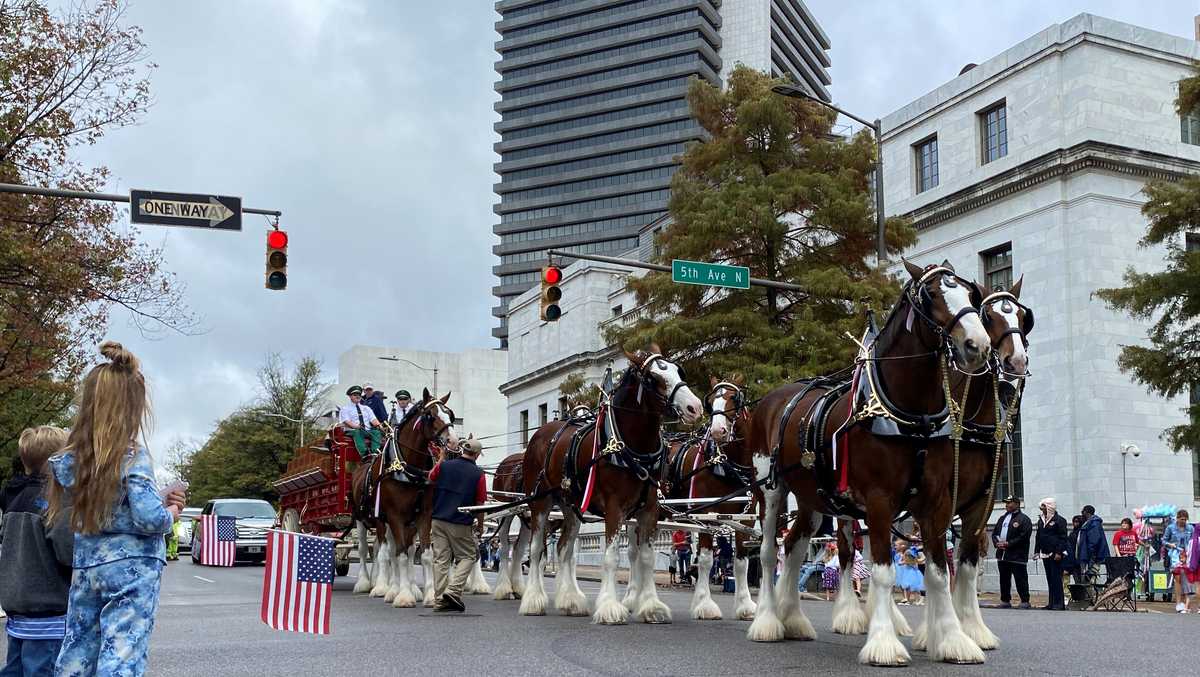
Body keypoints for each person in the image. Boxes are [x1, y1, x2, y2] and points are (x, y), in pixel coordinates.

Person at [45, 342, 185, 676]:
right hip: (133, 567)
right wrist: (172, 513)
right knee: (122, 651)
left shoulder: (74, 458)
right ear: (133, 407)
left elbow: (106, 501)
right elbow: (149, 517)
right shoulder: (133, 455)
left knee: (79, 647)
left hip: (89, 562)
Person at [0, 426, 72, 677]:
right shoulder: (55, 498)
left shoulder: (12, 495)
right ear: (56, 461)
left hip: (17, 611)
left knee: (15, 668)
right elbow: (67, 552)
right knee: (41, 670)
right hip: (49, 613)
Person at [428, 440, 487, 613]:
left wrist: (440, 459)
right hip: (459, 521)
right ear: (477, 455)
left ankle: (439, 601)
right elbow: (480, 502)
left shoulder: (445, 466)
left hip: (438, 519)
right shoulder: (478, 474)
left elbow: (431, 477)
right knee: (468, 556)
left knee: (440, 560)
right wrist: (481, 525)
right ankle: (453, 591)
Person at [992, 494, 1032, 609]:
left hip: (1017, 556)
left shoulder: (1024, 519)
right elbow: (995, 533)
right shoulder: (1002, 518)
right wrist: (997, 543)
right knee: (1004, 578)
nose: (1007, 505)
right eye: (1006, 503)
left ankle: (1025, 600)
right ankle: (1005, 600)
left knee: (1020, 578)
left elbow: (1023, 536)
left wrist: (1009, 544)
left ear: (1017, 504)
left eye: (1010, 503)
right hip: (1002, 555)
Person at [1034, 497, 1070, 611]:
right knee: (1050, 578)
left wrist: (1059, 552)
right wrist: (1036, 551)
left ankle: (1059, 603)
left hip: (1056, 553)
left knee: (1056, 579)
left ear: (1050, 507)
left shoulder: (1060, 520)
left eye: (1044, 507)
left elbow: (1063, 538)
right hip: (1045, 553)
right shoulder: (1041, 520)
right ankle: (1051, 602)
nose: (1042, 509)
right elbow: (1038, 536)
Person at [1162, 509, 1194, 613]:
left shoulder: (1190, 528)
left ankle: (1185, 603)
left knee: (1187, 579)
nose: (1183, 521)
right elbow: (1164, 540)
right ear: (1177, 518)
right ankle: (1178, 602)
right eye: (1181, 519)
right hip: (1175, 555)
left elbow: (1194, 540)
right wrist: (1170, 544)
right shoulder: (1171, 528)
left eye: (1185, 519)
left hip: (1187, 555)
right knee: (1178, 578)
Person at [340, 385, 382, 456]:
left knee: (376, 432)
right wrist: (357, 426)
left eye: (359, 394)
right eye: (355, 395)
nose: (358, 396)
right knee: (357, 432)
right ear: (350, 396)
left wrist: (380, 426)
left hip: (366, 430)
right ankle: (364, 454)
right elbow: (347, 421)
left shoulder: (366, 408)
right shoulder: (345, 409)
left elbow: (374, 420)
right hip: (352, 430)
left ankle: (375, 452)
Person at [1075, 504, 1110, 581]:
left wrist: (1091, 557)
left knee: (1091, 578)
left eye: (1083, 511)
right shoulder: (1089, 523)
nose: (1081, 513)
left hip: (1092, 557)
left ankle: (1094, 593)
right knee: (1089, 578)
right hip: (1088, 556)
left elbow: (1094, 541)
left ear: (1087, 512)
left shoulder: (1094, 523)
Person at [894, 539, 925, 605]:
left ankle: (911, 599)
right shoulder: (901, 553)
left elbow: (912, 561)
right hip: (905, 571)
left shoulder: (908, 552)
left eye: (896, 545)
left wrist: (903, 562)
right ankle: (907, 599)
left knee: (910, 586)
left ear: (902, 546)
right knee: (906, 586)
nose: (895, 547)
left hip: (910, 571)